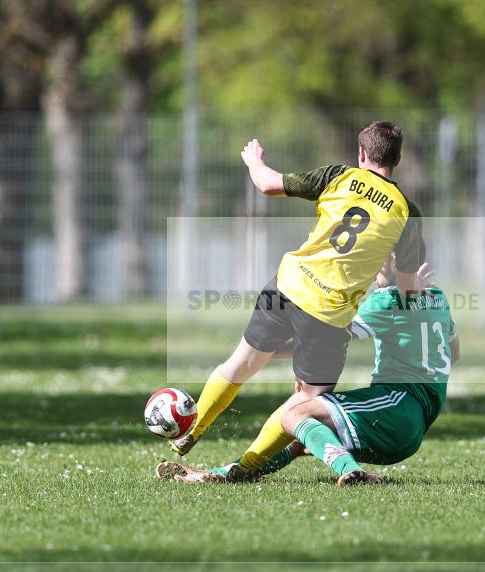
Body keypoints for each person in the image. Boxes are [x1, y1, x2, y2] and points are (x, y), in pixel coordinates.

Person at [168, 121, 425, 476]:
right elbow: (408, 289)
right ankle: (245, 467)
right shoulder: (406, 211)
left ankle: (188, 432)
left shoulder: (339, 175)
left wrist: (253, 161)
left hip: (286, 285)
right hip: (327, 315)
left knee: (238, 365)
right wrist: (388, 276)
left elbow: (268, 184)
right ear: (397, 158)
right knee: (306, 401)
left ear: (362, 153)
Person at [158, 248, 459, 485]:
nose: (375, 264)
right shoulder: (440, 299)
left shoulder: (386, 300)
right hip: (414, 423)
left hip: (397, 408)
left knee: (295, 415)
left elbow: (330, 340)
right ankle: (227, 473)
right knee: (305, 438)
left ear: (398, 262)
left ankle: (351, 472)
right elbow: (453, 353)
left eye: (382, 257)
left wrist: (266, 351)